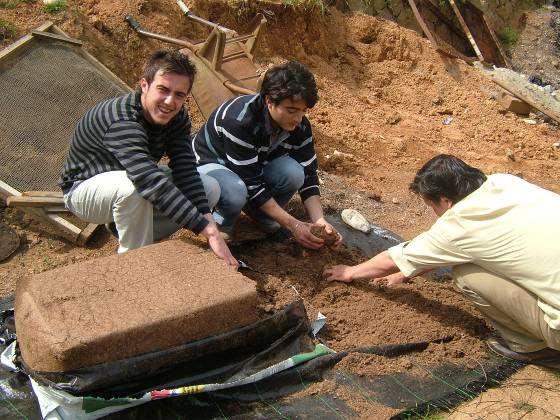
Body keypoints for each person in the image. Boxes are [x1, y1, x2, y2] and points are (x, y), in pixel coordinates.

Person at [324, 154, 560, 366]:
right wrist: (405, 273)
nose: (433, 211)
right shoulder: (506, 182)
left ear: (445, 201)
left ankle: (533, 348)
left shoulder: (459, 223)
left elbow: (393, 259)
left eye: (430, 205)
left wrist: (350, 272)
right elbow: (458, 247)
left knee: (467, 275)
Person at [59, 50, 237, 266]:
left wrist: (209, 224)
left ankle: (130, 228)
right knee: (134, 188)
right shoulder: (121, 120)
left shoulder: (177, 116)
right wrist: (205, 230)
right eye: (163, 89)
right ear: (145, 85)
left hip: (129, 179)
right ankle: (135, 264)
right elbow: (146, 179)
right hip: (83, 190)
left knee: (209, 187)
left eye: (179, 95)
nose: (170, 101)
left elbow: (184, 167)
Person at [192, 61, 340, 249]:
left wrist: (319, 220)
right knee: (236, 190)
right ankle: (223, 223)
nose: (298, 118)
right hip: (213, 160)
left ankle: (264, 217)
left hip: (252, 164)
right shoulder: (240, 121)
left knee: (295, 173)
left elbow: (309, 174)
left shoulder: (300, 125)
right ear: (269, 101)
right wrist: (293, 224)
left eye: (303, 111)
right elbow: (250, 183)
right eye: (291, 110)